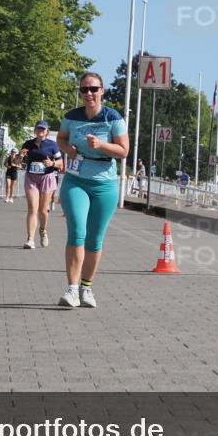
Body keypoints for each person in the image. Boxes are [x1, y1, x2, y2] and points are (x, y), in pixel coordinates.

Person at [55, 72, 129, 308]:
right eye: (84, 90)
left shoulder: (113, 118)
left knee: (95, 239)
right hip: (76, 179)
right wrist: (69, 150)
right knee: (77, 231)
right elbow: (61, 138)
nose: (88, 94)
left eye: (93, 89)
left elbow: (123, 151)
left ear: (102, 91)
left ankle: (86, 288)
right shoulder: (71, 117)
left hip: (104, 183)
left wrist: (101, 145)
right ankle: (72, 289)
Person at [21, 120, 63, 248]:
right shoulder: (28, 144)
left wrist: (52, 164)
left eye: (43, 129)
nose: (40, 131)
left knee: (43, 210)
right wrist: (19, 156)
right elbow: (18, 160)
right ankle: (30, 239)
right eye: (38, 129)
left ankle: (43, 231)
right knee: (32, 209)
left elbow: (61, 163)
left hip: (47, 178)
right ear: (35, 130)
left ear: (47, 132)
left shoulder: (52, 145)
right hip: (31, 177)